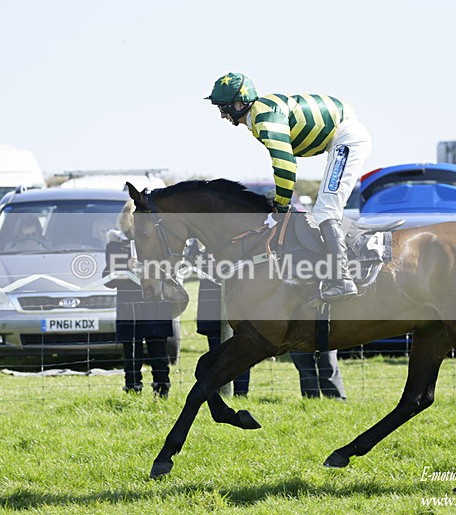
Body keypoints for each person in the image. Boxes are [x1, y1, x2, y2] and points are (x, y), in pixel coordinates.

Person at [206, 73, 372, 301]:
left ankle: (342, 279)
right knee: (322, 210)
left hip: (347, 137)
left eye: (224, 108)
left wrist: (281, 205)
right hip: (342, 134)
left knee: (325, 210)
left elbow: (285, 165)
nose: (223, 115)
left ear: (239, 103)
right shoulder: (260, 115)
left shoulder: (264, 118)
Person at [103, 202, 172, 398]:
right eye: (130, 214)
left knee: (158, 348)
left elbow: (169, 269)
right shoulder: (115, 245)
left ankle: (162, 388)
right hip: (129, 305)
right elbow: (107, 278)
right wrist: (126, 267)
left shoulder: (158, 241)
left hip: (155, 302)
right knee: (132, 350)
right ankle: (133, 388)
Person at [194, 248, 250, 396]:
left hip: (238, 303)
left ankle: (241, 393)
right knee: (215, 352)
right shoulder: (198, 245)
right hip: (211, 306)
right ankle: (218, 391)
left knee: (243, 351)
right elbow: (188, 263)